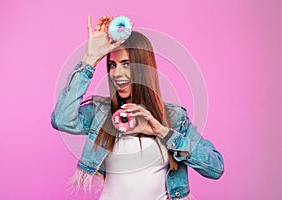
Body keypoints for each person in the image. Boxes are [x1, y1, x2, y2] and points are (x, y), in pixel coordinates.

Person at [50, 15, 224, 200]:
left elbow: (215, 168)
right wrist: (90, 59)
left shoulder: (174, 118)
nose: (117, 73)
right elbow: (61, 119)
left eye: (126, 64)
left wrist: (162, 131)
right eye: (112, 65)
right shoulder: (101, 113)